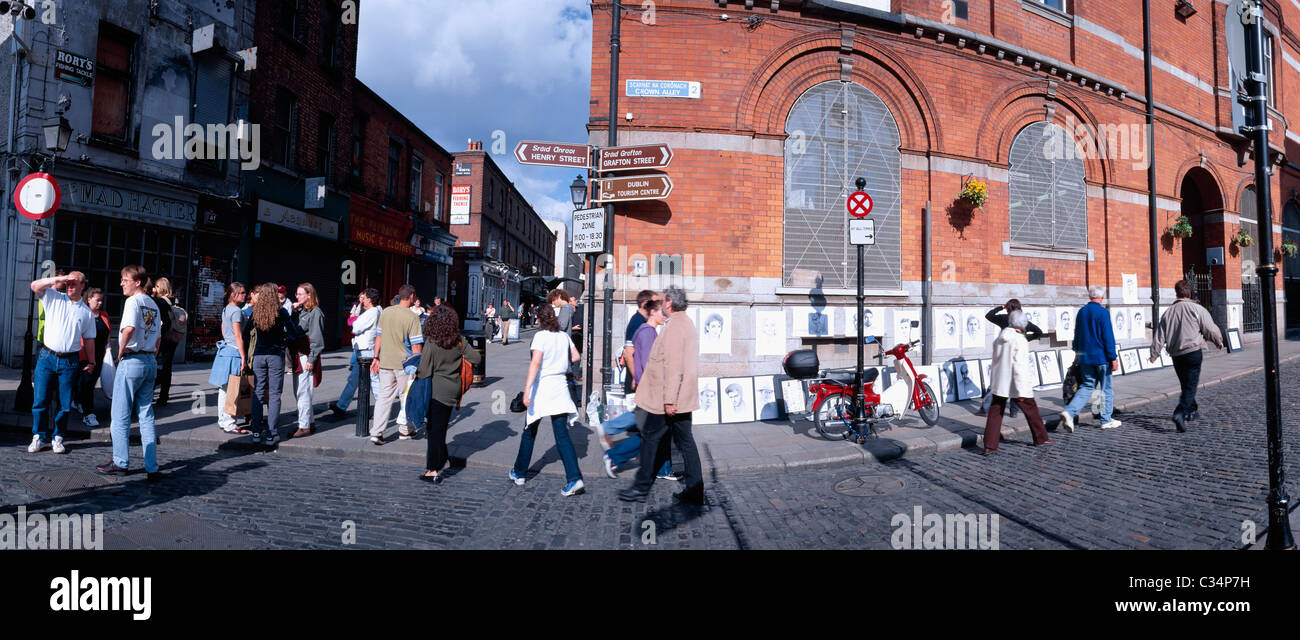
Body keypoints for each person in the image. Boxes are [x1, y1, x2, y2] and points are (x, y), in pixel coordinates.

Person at [618, 286, 705, 506]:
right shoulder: (684, 323)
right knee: (684, 442)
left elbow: (674, 366)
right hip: (677, 397)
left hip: (666, 399)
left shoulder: (675, 326)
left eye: (662, 300)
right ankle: (694, 491)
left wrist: (669, 400)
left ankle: (641, 487)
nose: (660, 305)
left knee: (651, 439)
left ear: (668, 303)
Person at [509, 304, 585, 496]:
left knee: (529, 430)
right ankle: (574, 478)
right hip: (560, 387)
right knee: (561, 435)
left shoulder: (540, 336)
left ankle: (519, 473)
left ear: (540, 319)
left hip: (542, 388)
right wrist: (560, 361)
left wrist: (526, 391)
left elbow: (535, 364)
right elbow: (576, 357)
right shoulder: (563, 336)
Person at [97, 265, 162, 479]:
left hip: (133, 359)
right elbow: (158, 337)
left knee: (120, 414)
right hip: (149, 360)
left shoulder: (133, 302)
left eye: (125, 279)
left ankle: (120, 461)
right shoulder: (153, 304)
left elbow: (129, 329)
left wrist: (120, 352)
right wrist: (151, 355)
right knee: (146, 415)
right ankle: (151, 465)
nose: (121, 283)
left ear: (137, 282)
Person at [406, 305, 481, 483]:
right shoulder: (459, 341)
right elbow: (476, 359)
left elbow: (424, 371)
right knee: (440, 427)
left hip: (436, 391)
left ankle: (432, 470)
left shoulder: (431, 343)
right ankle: (444, 456)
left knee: (434, 431)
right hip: (453, 390)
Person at [602, 298, 675, 479]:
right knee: (654, 432)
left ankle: (663, 469)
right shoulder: (648, 332)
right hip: (652, 391)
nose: (664, 315)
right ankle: (614, 456)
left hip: (650, 389)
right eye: (661, 312)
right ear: (652, 313)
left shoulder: (647, 331)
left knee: (658, 431)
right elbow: (650, 363)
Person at [29, 272, 97, 454]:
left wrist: (92, 362)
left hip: (69, 361)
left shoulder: (86, 313)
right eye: (68, 283)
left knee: (64, 403)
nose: (69, 285)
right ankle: (39, 435)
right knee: (40, 399)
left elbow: (89, 340)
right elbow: (35, 286)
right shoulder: (53, 297)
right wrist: (57, 280)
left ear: (83, 286)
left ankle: (58, 436)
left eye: (74, 283)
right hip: (47, 356)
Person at [1149, 279, 1224, 432]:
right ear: (1189, 292)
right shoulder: (1197, 309)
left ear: (1177, 292)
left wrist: (1154, 354)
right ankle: (1180, 412)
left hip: (1176, 354)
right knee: (1190, 386)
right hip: (1193, 352)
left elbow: (1160, 335)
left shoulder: (1168, 312)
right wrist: (1218, 341)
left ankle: (1192, 410)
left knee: (1186, 383)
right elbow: (1210, 328)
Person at [983, 311, 1053, 453]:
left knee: (995, 412)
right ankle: (1041, 438)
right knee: (1031, 409)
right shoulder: (1020, 340)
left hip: (1000, 381)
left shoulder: (1000, 338)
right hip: (1016, 381)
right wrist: (1023, 389)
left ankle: (989, 445)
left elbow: (995, 361)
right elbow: (1019, 365)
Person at [245, 283, 301, 445]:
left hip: (259, 355)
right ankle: (271, 433)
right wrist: (283, 339)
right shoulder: (281, 312)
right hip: (276, 355)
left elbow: (245, 334)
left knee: (258, 392)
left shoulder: (256, 312)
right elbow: (293, 333)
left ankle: (256, 431)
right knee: (275, 395)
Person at [1060, 285, 1121, 432]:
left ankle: (1069, 411)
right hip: (1102, 357)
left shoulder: (1082, 312)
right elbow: (1108, 337)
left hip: (1085, 358)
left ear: (1089, 296)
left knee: (1086, 387)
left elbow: (1077, 335)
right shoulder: (1103, 312)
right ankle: (1106, 420)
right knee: (1106, 389)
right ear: (1102, 297)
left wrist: (1076, 353)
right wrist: (1113, 357)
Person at [370, 284, 423, 444]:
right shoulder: (412, 317)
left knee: (384, 398)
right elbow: (416, 346)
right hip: (405, 365)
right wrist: (419, 363)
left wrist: (375, 357)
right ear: (412, 297)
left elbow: (378, 337)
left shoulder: (386, 312)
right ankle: (405, 430)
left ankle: (376, 432)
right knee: (406, 397)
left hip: (385, 361)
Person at [977, 299, 1044, 417]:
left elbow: (989, 315)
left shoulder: (1004, 319)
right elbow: (1039, 332)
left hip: (1005, 355)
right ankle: (1014, 411)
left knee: (996, 383)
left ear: (1008, 308)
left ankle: (986, 408)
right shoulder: (1024, 322)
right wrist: (1026, 339)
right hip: (1018, 355)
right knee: (1015, 382)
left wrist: (1001, 307)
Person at [331, 288, 381, 416]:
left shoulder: (372, 312)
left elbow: (356, 327)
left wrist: (355, 319)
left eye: (364, 298)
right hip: (363, 350)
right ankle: (341, 406)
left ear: (369, 299)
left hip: (367, 351)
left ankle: (382, 410)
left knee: (374, 382)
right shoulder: (374, 311)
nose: (362, 300)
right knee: (354, 380)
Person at [209, 282, 249, 434]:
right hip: (233, 352)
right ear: (234, 294)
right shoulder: (237, 311)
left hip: (225, 350)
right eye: (242, 293)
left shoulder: (227, 309)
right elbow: (238, 335)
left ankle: (223, 420)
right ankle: (230, 423)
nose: (245, 295)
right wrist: (243, 357)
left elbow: (223, 328)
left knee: (224, 389)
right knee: (232, 389)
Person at [290, 283, 325, 438]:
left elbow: (317, 339)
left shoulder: (315, 312)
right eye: (297, 294)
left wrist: (312, 358)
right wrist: (292, 312)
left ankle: (304, 426)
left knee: (303, 391)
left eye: (300, 294)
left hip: (306, 355)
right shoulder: (301, 311)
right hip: (298, 354)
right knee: (300, 391)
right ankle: (309, 421)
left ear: (309, 295)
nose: (297, 297)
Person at [76, 287, 111, 427]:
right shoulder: (83, 313)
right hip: (83, 354)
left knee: (89, 383)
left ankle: (78, 401)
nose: (100, 303)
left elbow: (107, 331)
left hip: (99, 355)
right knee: (88, 384)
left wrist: (108, 346)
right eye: (97, 300)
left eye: (102, 300)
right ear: (89, 299)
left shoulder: (104, 315)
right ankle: (88, 413)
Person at [148, 278, 175, 406]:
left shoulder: (160, 301)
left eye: (157, 286)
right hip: (173, 337)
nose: (155, 289)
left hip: (162, 338)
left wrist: (152, 294)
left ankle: (150, 392)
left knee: (156, 365)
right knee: (167, 367)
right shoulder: (175, 300)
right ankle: (164, 395)